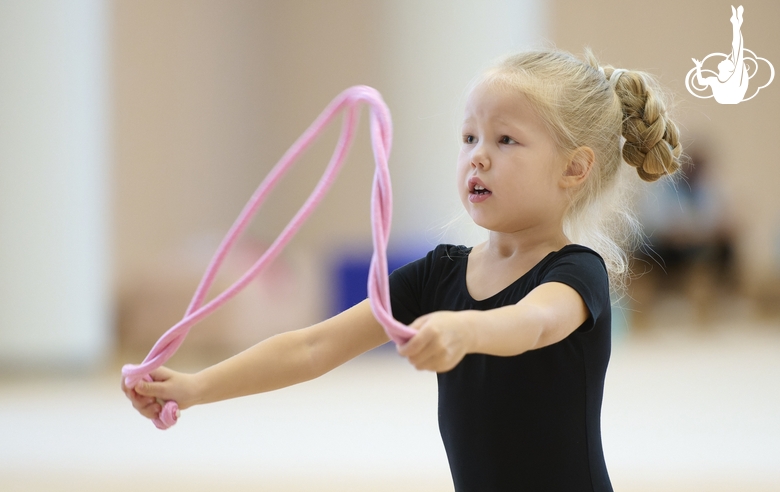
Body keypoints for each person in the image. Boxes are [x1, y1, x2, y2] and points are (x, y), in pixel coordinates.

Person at [122, 48, 682, 491]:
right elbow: (312, 348)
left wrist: (461, 330)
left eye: (506, 139)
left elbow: (531, 324)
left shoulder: (576, 273)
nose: (477, 156)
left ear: (575, 168)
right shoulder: (438, 276)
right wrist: (195, 387)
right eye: (469, 138)